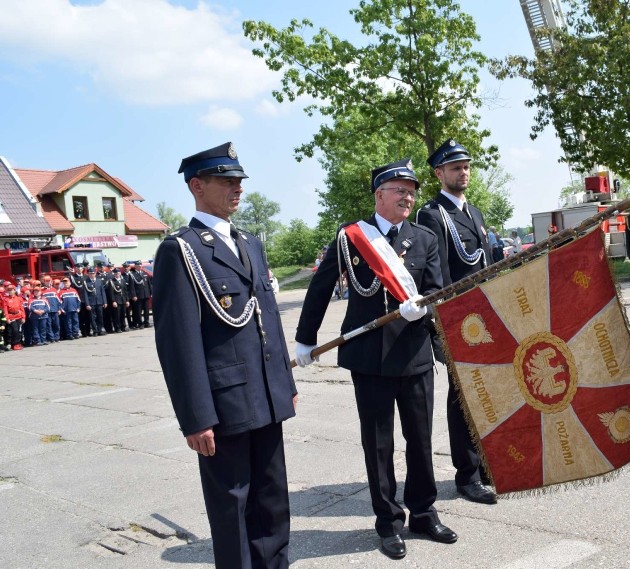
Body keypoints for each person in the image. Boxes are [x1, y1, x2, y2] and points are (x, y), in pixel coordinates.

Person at [296, 158, 457, 560]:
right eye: (399, 189)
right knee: (378, 445)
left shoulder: (424, 238)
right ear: (379, 194)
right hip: (370, 359)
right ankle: (388, 522)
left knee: (420, 440)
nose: (408, 196)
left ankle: (423, 511)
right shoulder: (351, 238)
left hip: (415, 353)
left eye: (412, 190)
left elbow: (438, 289)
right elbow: (320, 287)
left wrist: (425, 308)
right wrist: (305, 338)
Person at [153, 142, 298, 569]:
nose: (238, 188)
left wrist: (285, 386)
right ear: (197, 186)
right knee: (232, 506)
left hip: (267, 395)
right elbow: (178, 342)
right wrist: (196, 416)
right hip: (225, 402)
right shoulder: (180, 250)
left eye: (239, 181)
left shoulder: (249, 243)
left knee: (273, 499)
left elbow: (268, 317)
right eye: (227, 181)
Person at [415, 138, 498, 505]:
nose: (462, 172)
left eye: (465, 166)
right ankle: (467, 474)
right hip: (458, 319)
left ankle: (484, 464)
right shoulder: (431, 215)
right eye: (454, 168)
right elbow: (437, 274)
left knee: (485, 392)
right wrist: (441, 324)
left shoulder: (475, 212)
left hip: (485, 315)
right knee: (463, 395)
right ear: (439, 174)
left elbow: (485, 262)